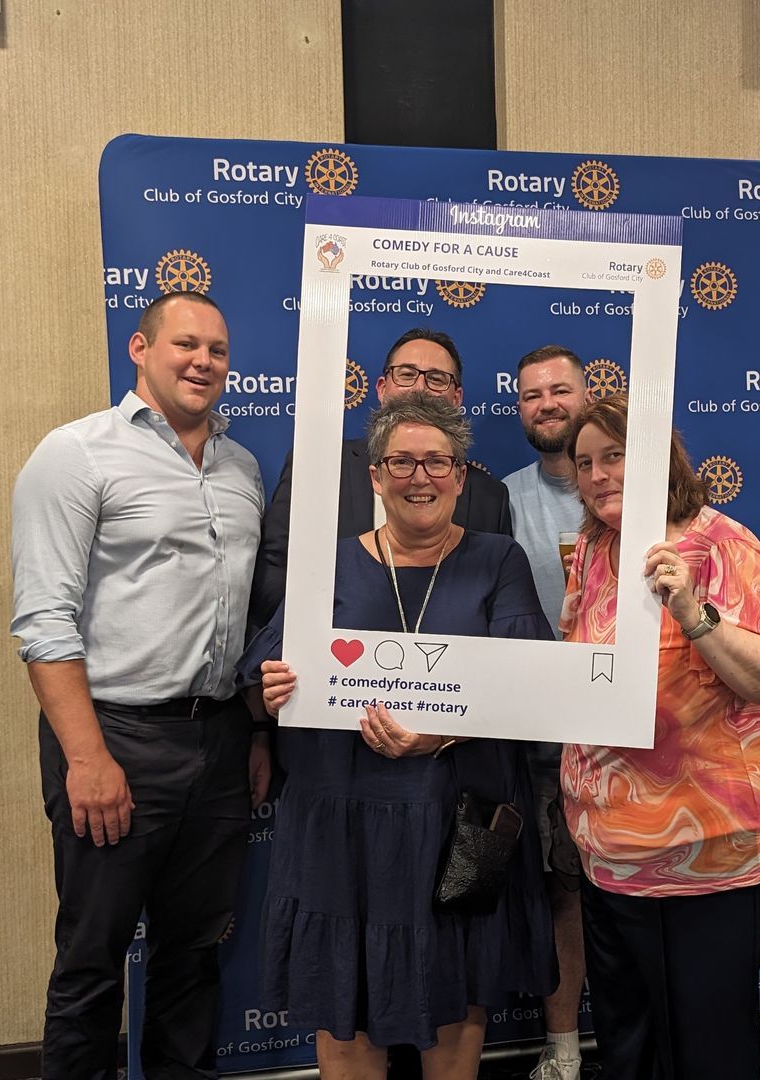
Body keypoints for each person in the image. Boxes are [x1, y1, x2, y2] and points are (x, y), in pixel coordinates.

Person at [242, 393, 555, 1079]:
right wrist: (272, 686)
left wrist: (437, 737)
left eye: (438, 461)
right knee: (344, 1010)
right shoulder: (326, 563)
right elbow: (268, 665)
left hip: (455, 819)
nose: (422, 477)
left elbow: (527, 680)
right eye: (402, 461)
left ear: (463, 474)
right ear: (375, 476)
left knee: (454, 1011)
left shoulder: (499, 560)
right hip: (339, 823)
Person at [11, 290, 269, 1080]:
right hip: (116, 737)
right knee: (92, 959)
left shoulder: (242, 466)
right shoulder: (75, 453)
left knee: (194, 956)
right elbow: (43, 620)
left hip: (219, 739)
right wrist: (86, 759)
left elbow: (253, 614)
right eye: (186, 344)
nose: (204, 362)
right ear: (140, 347)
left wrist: (255, 732)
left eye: (218, 350)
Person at [558, 393, 760, 1079]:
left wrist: (694, 612)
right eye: (585, 463)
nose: (598, 474)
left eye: (614, 456)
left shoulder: (720, 544)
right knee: (628, 1042)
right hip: (610, 853)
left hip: (709, 855)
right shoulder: (591, 548)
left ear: (655, 459)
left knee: (705, 1051)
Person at [248, 327, 514, 637]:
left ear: (457, 398)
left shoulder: (489, 496)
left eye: (437, 378)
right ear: (381, 388)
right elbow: (274, 573)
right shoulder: (317, 465)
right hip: (337, 667)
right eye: (406, 374)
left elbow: (499, 605)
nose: (420, 388)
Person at [497, 345, 589, 1080]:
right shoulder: (500, 498)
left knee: (634, 887)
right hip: (537, 737)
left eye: (560, 390)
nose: (547, 404)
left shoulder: (639, 490)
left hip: (633, 729)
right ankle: (561, 1049)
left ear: (591, 397)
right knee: (561, 890)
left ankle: (639, 1038)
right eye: (532, 395)